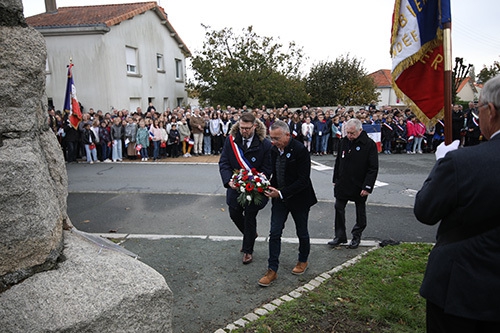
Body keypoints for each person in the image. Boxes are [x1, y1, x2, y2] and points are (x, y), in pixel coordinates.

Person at [414, 75, 500, 332]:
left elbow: (426, 210)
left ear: (492, 111)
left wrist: (443, 164)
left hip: (462, 289)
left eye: (479, 108)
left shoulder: (463, 162)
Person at [258, 120, 317, 287]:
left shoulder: (300, 150)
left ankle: (303, 260)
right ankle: (272, 269)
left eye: (277, 138)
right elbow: (275, 173)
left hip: (299, 198)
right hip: (279, 199)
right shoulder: (273, 150)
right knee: (274, 232)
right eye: (271, 138)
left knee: (302, 231)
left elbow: (303, 180)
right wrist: (268, 186)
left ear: (288, 135)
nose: (273, 142)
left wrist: (282, 193)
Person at [219, 112, 272, 265]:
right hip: (235, 186)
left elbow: (267, 168)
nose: (244, 131)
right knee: (234, 213)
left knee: (250, 216)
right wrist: (229, 181)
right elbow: (224, 163)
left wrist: (257, 181)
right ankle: (250, 235)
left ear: (254, 126)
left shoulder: (265, 144)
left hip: (254, 189)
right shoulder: (231, 141)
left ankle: (248, 250)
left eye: (247, 128)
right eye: (242, 128)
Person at [328, 118, 379, 249]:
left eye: (352, 133)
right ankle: (340, 236)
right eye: (348, 133)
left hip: (359, 184)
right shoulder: (344, 142)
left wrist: (367, 186)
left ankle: (356, 235)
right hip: (343, 182)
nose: (349, 136)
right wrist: (335, 179)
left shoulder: (369, 144)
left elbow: (373, 168)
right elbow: (338, 161)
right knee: (338, 207)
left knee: (360, 211)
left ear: (360, 130)